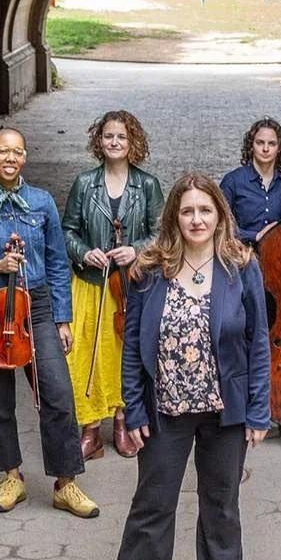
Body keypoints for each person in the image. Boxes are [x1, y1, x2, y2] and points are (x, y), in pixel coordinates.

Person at [107, 174, 270, 560]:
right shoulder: (149, 270)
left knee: (221, 508)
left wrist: (259, 410)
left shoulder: (241, 266)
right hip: (165, 410)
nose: (197, 220)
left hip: (225, 410)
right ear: (173, 217)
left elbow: (258, 341)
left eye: (205, 210)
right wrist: (134, 409)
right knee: (152, 507)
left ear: (219, 215)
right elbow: (132, 348)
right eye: (187, 211)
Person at [0, 127, 98, 519]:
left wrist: (63, 319)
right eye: (3, 151)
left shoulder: (42, 202)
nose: (10, 158)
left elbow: (57, 263)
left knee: (57, 393)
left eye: (17, 152)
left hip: (38, 305)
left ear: (25, 157)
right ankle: (11, 476)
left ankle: (65, 484)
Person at [62, 111, 165, 460]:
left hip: (130, 286)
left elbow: (161, 234)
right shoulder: (84, 183)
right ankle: (90, 429)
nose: (115, 142)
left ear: (133, 141)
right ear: (99, 140)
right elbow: (67, 231)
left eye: (122, 136)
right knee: (85, 352)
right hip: (91, 282)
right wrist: (83, 253)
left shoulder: (147, 185)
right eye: (108, 136)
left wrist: (135, 249)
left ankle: (123, 420)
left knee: (124, 353)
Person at [219, 118, 281, 245]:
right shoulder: (232, 181)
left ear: (279, 148)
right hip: (240, 253)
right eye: (260, 143)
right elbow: (219, 225)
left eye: (272, 144)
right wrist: (254, 236)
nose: (265, 149)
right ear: (251, 146)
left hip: (279, 252)